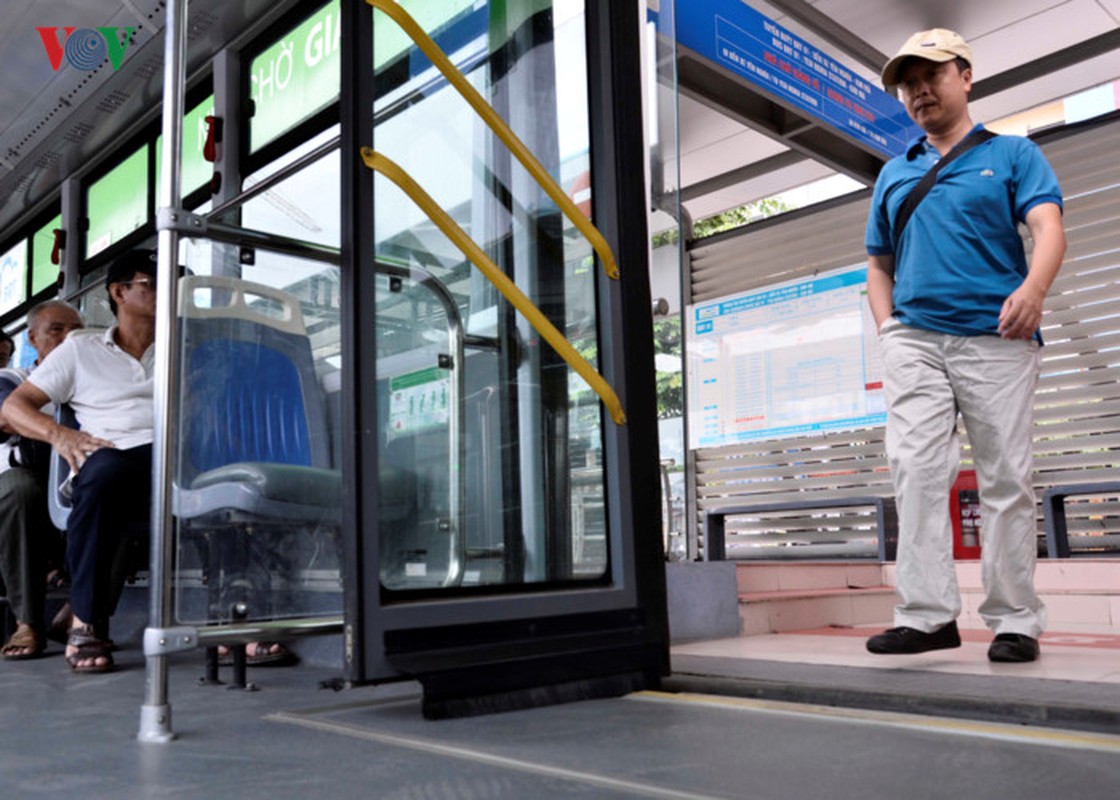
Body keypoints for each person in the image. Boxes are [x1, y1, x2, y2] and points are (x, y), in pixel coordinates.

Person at [863, 29, 1066, 663]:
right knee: (916, 472)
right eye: (907, 81)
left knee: (1005, 477)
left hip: (995, 337)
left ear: (965, 75)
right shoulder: (895, 173)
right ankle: (926, 617)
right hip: (915, 340)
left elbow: (1048, 227)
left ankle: (1015, 621)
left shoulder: (1011, 153)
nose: (918, 89)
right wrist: (887, 329)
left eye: (931, 74)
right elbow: (878, 264)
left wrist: (1034, 288)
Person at [0, 301, 84, 659]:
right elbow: (6, 418)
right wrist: (59, 436)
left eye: (75, 332)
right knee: (18, 491)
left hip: (81, 480)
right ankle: (27, 622)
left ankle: (80, 613)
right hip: (33, 481)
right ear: (33, 338)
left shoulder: (92, 383)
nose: (68, 339)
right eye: (57, 330)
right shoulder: (14, 380)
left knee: (125, 489)